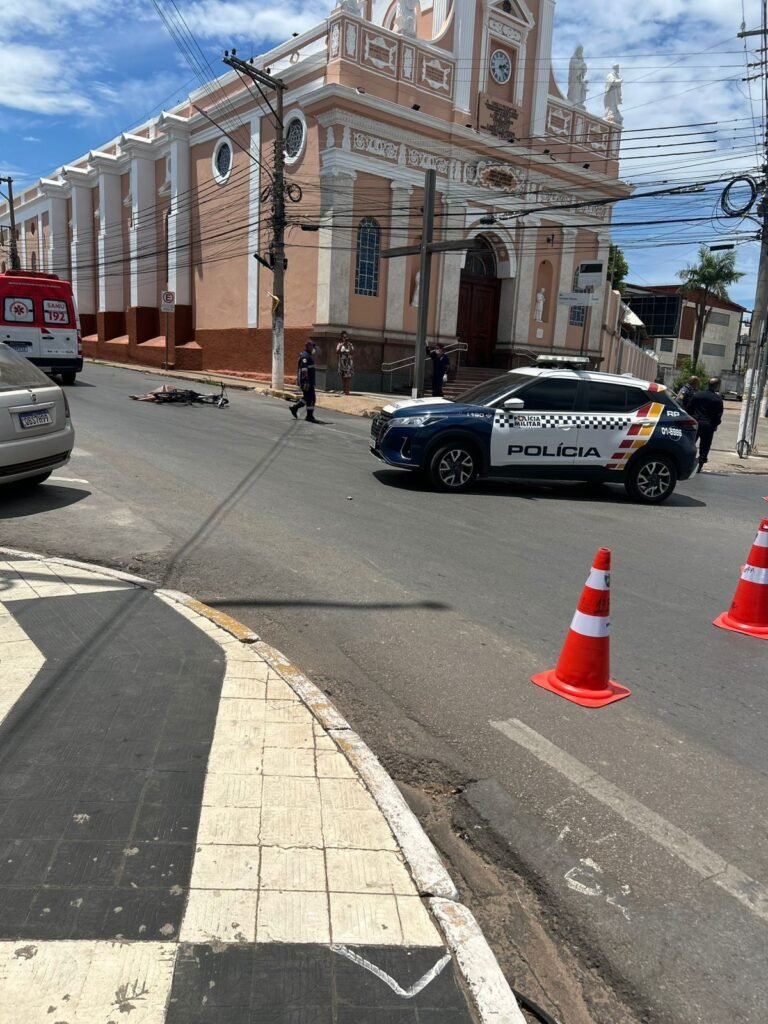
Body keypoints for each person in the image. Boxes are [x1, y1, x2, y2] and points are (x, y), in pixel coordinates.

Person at [688, 377, 724, 472]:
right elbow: (718, 415)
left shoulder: (697, 395)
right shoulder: (717, 399)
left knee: (690, 443)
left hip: (695, 423)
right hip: (708, 425)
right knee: (705, 446)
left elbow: (689, 408)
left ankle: (687, 461)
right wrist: (715, 424)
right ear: (717, 386)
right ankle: (700, 464)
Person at [290, 340, 319, 422]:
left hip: (310, 381)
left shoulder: (308, 355)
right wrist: (306, 381)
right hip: (306, 381)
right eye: (313, 347)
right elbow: (304, 370)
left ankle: (309, 415)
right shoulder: (305, 356)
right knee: (309, 397)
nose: (314, 349)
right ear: (309, 346)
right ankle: (295, 408)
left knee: (311, 397)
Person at [336, 331, 354, 395]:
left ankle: (347, 391)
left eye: (346, 337)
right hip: (342, 363)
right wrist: (342, 345)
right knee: (343, 377)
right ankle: (344, 390)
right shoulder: (340, 344)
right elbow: (337, 352)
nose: (345, 338)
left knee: (348, 377)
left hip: (348, 363)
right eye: (344, 337)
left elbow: (352, 352)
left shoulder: (350, 344)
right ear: (341, 338)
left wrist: (348, 344)